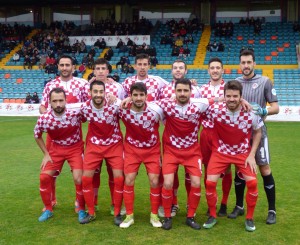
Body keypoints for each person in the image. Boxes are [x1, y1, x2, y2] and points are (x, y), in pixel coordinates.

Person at [203, 80, 263, 232]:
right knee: (210, 183)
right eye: (228, 96)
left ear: (241, 96)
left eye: (235, 96)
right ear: (223, 96)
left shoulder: (251, 112)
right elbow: (193, 104)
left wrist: (252, 154)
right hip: (221, 152)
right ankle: (212, 215)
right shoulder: (215, 110)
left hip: (242, 153)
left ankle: (249, 218)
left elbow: (258, 131)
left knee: (253, 183)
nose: (231, 99)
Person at [228, 50, 279, 225]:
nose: (246, 66)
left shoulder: (264, 81)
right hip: (239, 134)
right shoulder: (235, 83)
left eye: (249, 62)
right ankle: (239, 206)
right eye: (243, 62)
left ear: (254, 63)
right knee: (239, 170)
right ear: (239, 64)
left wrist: (263, 111)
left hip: (259, 133)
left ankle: (272, 210)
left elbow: (276, 107)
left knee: (264, 169)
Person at [158, 78, 213, 230]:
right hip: (171, 150)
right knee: (168, 182)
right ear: (174, 92)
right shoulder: (166, 104)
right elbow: (145, 104)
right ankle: (168, 217)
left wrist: (241, 100)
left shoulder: (200, 104)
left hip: (192, 152)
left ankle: (190, 217)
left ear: (191, 91)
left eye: (185, 90)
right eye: (179, 90)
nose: (182, 94)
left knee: (196, 183)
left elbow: (219, 100)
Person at [39, 54, 89, 212]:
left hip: (74, 134)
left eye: (68, 65)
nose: (65, 68)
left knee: (77, 171)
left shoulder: (82, 84)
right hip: (53, 135)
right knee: (49, 171)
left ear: (73, 67)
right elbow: (42, 106)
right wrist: (49, 118)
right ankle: (51, 200)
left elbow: (88, 106)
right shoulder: (50, 85)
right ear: (58, 67)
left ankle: (78, 201)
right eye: (62, 65)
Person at [34, 87, 86, 223]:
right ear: (49, 102)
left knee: (78, 178)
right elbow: (37, 135)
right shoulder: (44, 118)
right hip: (56, 149)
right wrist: (46, 154)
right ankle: (48, 209)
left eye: (61, 100)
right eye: (55, 101)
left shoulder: (75, 112)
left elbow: (89, 112)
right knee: (44, 177)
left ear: (66, 100)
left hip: (75, 148)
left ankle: (81, 208)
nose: (58, 104)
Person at [118, 82, 164, 228]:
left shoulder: (156, 109)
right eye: (135, 95)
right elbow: (105, 101)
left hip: (152, 150)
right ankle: (129, 215)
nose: (138, 98)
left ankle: (154, 215)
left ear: (146, 96)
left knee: (154, 181)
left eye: (141, 95)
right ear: (130, 96)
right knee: (129, 180)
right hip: (132, 150)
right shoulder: (122, 109)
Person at [159, 60, 201, 218]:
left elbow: (203, 107)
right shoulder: (164, 90)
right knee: (171, 176)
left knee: (192, 178)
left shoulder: (196, 90)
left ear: (186, 70)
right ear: (171, 71)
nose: (177, 70)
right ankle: (173, 204)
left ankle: (191, 207)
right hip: (171, 139)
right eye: (175, 67)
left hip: (190, 141)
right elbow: (154, 106)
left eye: (180, 68)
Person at [79, 80, 124, 226]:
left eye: (101, 92)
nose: (98, 95)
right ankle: (91, 212)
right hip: (94, 146)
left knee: (118, 178)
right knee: (85, 179)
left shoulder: (114, 104)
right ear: (90, 93)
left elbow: (130, 106)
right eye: (95, 92)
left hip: (114, 145)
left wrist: (118, 99)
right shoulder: (84, 108)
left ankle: (117, 213)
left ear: (105, 92)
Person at [89, 58, 126, 215]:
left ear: (108, 71)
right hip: (94, 137)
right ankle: (94, 203)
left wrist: (116, 100)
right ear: (94, 71)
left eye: (103, 68)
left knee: (114, 173)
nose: (100, 71)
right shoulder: (87, 86)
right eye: (97, 68)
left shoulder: (118, 87)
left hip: (113, 137)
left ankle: (114, 203)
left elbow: (123, 105)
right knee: (93, 173)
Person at [199, 57, 232, 217]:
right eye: (212, 68)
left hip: (223, 133)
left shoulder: (229, 88)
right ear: (208, 71)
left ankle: (224, 203)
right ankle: (211, 202)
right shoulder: (201, 89)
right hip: (206, 133)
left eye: (218, 67)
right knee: (207, 168)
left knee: (225, 168)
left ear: (222, 70)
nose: (215, 70)